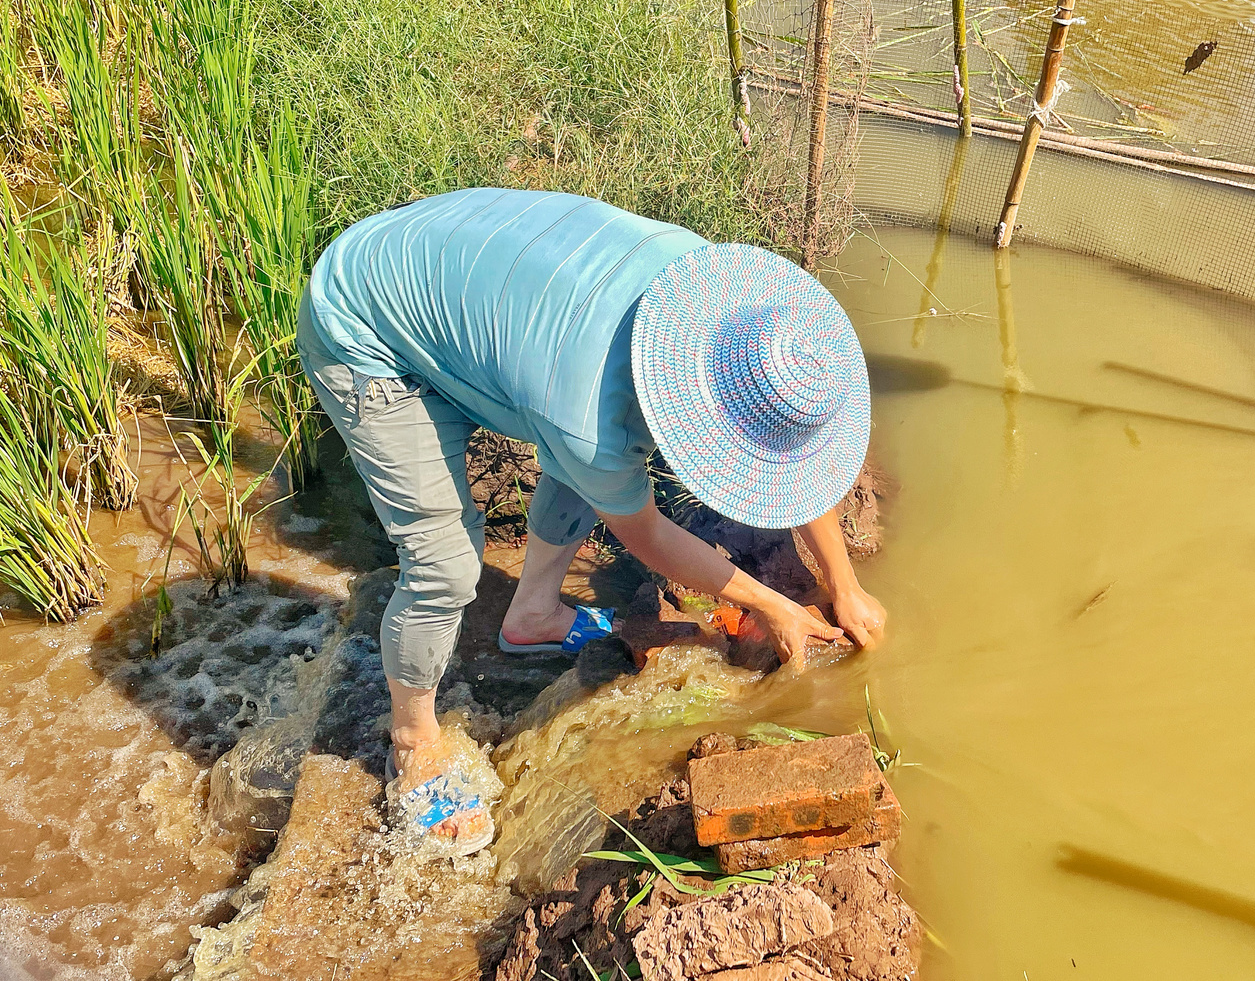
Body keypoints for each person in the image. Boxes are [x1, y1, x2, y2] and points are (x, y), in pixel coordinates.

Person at [296, 188, 886, 856]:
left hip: (458, 275)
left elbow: (794, 447)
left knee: (593, 461)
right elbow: (645, 533)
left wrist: (843, 583)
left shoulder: (724, 306)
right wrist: (771, 604)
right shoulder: (588, 412)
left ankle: (533, 615)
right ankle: (412, 744)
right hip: (365, 328)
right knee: (446, 563)